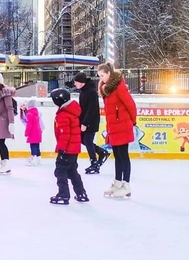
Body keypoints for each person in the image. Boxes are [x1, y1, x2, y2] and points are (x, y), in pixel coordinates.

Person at [97, 61, 137, 199]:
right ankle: (118, 183)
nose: (101, 78)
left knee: (123, 156)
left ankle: (126, 185)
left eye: (102, 75)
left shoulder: (119, 87)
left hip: (123, 125)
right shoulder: (106, 89)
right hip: (113, 127)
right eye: (99, 76)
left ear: (109, 73)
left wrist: (133, 121)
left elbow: (130, 104)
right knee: (117, 156)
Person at [49, 88, 89, 205]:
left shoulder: (63, 115)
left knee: (60, 171)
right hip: (74, 149)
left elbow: (64, 135)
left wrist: (62, 150)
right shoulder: (71, 112)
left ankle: (63, 194)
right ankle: (81, 193)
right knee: (72, 171)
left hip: (67, 149)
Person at [74, 71, 109, 174]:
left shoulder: (91, 92)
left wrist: (85, 123)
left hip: (91, 121)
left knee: (88, 140)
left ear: (81, 82)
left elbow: (92, 109)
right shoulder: (83, 91)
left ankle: (94, 163)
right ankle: (101, 152)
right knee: (82, 139)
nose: (75, 84)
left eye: (76, 82)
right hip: (85, 121)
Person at [22, 99, 43, 166]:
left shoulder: (29, 114)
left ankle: (33, 158)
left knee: (33, 146)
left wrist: (26, 133)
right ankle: (38, 159)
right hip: (38, 131)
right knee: (37, 145)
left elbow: (29, 125)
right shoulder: (35, 113)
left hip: (33, 132)